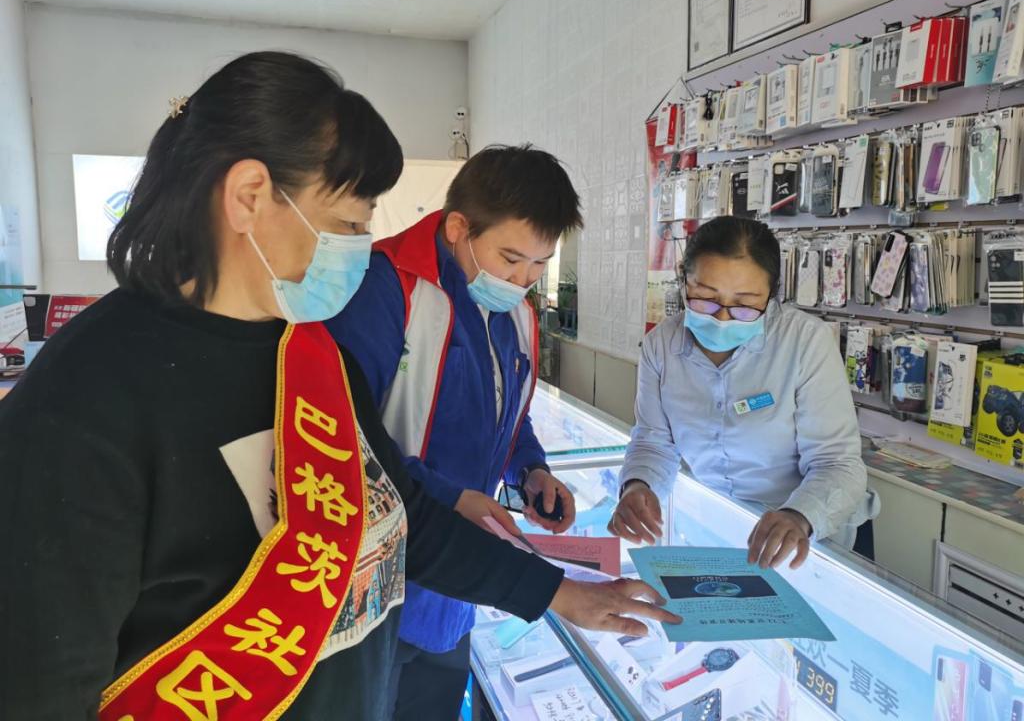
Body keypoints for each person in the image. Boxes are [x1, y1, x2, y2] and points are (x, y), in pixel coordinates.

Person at [0, 52, 679, 720]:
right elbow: (41, 683)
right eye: (347, 224)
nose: (360, 247)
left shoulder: (310, 355)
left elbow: (403, 512)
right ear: (249, 197)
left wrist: (560, 593)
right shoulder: (85, 398)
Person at [326, 144, 583, 720]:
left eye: (539, 265)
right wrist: (451, 497)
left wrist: (530, 470)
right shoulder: (385, 288)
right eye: (510, 258)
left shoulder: (514, 311)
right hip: (380, 582)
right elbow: (345, 441)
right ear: (458, 228)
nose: (522, 280)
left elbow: (505, 413)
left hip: (459, 585)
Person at [609, 216, 877, 570]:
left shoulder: (805, 342)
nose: (722, 318)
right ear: (684, 280)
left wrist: (798, 516)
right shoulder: (661, 346)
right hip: (720, 528)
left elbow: (838, 463)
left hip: (810, 539)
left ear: (772, 295)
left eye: (745, 305)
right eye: (705, 298)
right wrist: (638, 486)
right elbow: (654, 441)